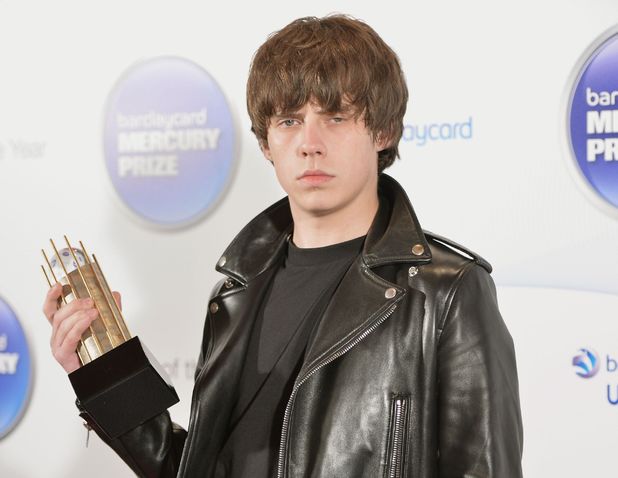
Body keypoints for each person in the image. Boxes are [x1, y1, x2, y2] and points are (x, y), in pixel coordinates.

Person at [43, 14, 523, 478]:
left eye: (336, 117)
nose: (310, 143)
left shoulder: (447, 292)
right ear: (266, 142)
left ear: (384, 132)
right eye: (290, 121)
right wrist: (104, 370)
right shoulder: (234, 293)